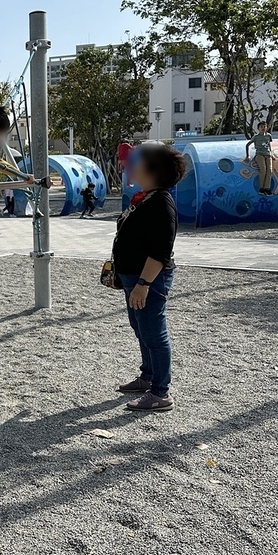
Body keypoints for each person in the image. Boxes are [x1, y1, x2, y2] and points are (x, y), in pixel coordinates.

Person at [113, 144, 187, 413]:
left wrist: (143, 285)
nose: (134, 165)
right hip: (134, 277)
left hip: (149, 280)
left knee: (154, 333)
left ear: (154, 170)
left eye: (140, 161)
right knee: (141, 327)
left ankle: (160, 393)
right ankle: (148, 377)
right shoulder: (145, 197)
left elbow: (160, 251)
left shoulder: (161, 203)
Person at [245, 122, 274, 195]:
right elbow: (247, 145)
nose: (263, 128)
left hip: (268, 155)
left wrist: (271, 153)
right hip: (259, 154)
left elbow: (269, 144)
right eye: (261, 127)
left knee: (269, 170)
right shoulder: (256, 137)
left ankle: (267, 188)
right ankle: (261, 188)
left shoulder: (268, 136)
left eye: (264, 126)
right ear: (258, 129)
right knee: (263, 169)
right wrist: (247, 155)